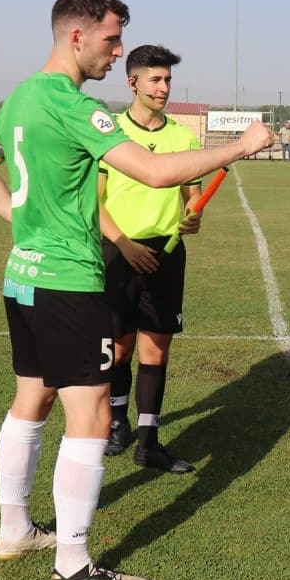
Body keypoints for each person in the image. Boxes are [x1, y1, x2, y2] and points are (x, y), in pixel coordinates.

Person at [0, 0, 272, 580]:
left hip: (22, 275)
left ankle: (14, 528)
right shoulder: (73, 106)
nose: (117, 51)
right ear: (77, 37)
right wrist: (241, 146)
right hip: (70, 282)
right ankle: (75, 566)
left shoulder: (20, 96)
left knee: (32, 400)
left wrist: (28, 230)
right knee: (93, 415)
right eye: (111, 38)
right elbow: (154, 170)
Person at [98, 44, 202, 475]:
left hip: (166, 254)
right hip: (118, 251)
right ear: (133, 82)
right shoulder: (108, 133)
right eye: (156, 80)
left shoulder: (182, 137)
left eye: (168, 80)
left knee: (156, 350)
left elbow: (191, 196)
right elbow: (93, 202)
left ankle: (149, 443)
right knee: (119, 349)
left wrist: (194, 215)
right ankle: (116, 423)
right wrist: (124, 243)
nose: (164, 88)